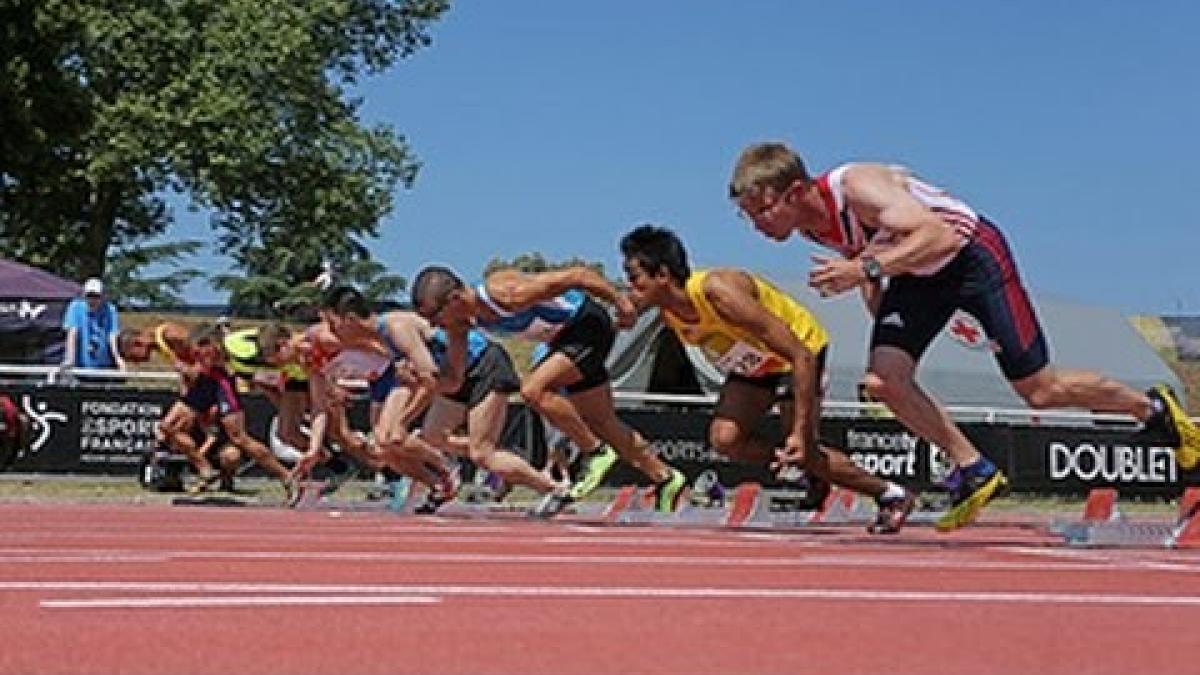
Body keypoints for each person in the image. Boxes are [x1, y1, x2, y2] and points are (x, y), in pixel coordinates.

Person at [728, 141, 1200, 530]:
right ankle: (976, 469)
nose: (758, 226)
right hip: (917, 276)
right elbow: (871, 266)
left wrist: (863, 268)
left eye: (762, 211)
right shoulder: (812, 229)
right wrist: (884, 323)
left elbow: (940, 236)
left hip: (973, 258)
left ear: (793, 192)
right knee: (884, 380)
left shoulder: (855, 186)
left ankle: (1152, 408)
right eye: (748, 216)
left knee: (1039, 390)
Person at [620, 225, 917, 534]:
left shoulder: (719, 293)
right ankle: (809, 471)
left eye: (635, 279)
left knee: (806, 449)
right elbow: (627, 312)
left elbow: (800, 355)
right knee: (725, 440)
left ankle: (891, 495)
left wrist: (800, 434)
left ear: (663, 274)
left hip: (797, 353)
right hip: (757, 366)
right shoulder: (670, 313)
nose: (631, 289)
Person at [410, 264, 688, 518]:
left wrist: (620, 302)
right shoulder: (461, 324)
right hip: (564, 341)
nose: (434, 326)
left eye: (434, 316)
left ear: (455, 299)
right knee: (602, 422)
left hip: (587, 325)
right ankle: (666, 477)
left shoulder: (505, 292)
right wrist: (425, 379)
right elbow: (455, 380)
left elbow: (577, 275)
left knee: (532, 390)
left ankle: (594, 452)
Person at [323, 286, 567, 512]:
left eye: (333, 325)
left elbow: (429, 381)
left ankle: (553, 489)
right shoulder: (382, 336)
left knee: (482, 453)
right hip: (454, 376)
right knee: (422, 438)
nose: (330, 333)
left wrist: (404, 419)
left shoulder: (396, 328)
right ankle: (445, 476)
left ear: (351, 320)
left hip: (484, 367)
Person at [156, 324, 295, 498]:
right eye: (196, 354)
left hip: (222, 384)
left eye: (201, 353)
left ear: (211, 346)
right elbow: (195, 372)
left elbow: (249, 369)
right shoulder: (200, 348)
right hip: (204, 386)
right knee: (168, 426)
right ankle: (204, 469)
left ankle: (286, 477)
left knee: (239, 438)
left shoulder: (232, 350)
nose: (198, 357)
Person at [60, 277, 125, 377]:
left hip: (104, 367)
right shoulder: (75, 307)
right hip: (80, 368)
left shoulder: (110, 310)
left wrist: (118, 359)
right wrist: (70, 359)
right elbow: (72, 333)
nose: (92, 300)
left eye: (96, 296)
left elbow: (112, 336)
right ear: (84, 295)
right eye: (89, 296)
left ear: (102, 296)